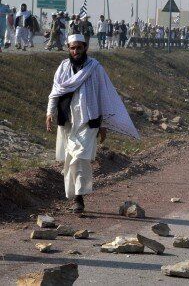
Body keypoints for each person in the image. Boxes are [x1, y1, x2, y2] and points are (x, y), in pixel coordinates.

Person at [46, 34, 139, 213]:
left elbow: (103, 96)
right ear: (68, 49)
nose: (75, 51)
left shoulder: (95, 68)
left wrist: (103, 124)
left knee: (80, 158)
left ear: (85, 48)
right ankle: (74, 196)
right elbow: (55, 92)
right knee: (70, 159)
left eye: (78, 48)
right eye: (72, 48)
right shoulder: (64, 67)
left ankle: (79, 199)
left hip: (89, 121)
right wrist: (50, 112)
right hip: (68, 122)